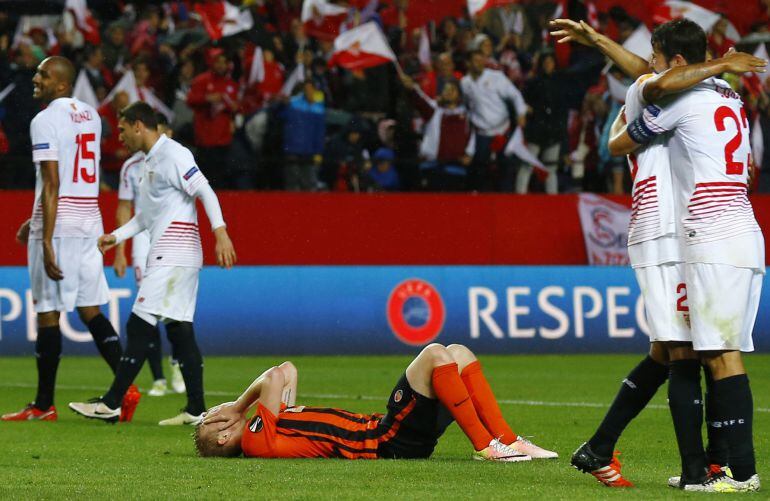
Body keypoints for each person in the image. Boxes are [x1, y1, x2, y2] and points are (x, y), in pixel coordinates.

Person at [550, 18, 766, 490]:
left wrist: (605, 45)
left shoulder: (679, 96)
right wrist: (722, 65)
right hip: (695, 230)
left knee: (693, 351)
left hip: (695, 232)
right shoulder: (721, 95)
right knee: (681, 350)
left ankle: (722, 469)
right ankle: (704, 467)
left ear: (676, 62)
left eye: (654, 55)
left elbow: (628, 125)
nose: (646, 63)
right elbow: (648, 89)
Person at [68, 101, 237, 426]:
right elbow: (146, 216)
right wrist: (115, 237)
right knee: (178, 330)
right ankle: (195, 409)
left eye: (121, 129)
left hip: (175, 252)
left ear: (138, 126)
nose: (119, 136)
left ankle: (111, 402)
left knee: (138, 324)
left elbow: (205, 190)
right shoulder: (147, 163)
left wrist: (221, 232)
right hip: (173, 253)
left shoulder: (174, 154)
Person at [2, 56, 126, 422]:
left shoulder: (44, 120)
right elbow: (73, 176)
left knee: (47, 311)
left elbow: (54, 183)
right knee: (89, 308)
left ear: (61, 84)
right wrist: (34, 218)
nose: (35, 78)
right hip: (89, 217)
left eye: (43, 74)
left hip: (60, 225)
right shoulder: (90, 115)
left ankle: (43, 406)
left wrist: (45, 240)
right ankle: (126, 389)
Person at [194, 343, 557, 461]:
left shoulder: (276, 422)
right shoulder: (258, 439)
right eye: (213, 417)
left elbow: (286, 369)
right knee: (435, 354)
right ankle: (486, 447)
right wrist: (240, 406)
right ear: (224, 437)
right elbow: (272, 377)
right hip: (386, 439)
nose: (218, 408)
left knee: (458, 353)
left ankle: (508, 441)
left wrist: (242, 406)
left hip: (394, 437)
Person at [114, 112, 186, 397]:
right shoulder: (130, 167)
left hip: (171, 239)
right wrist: (120, 250)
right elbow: (124, 208)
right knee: (148, 309)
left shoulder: (177, 159)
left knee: (171, 309)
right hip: (142, 241)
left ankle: (177, 363)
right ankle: (157, 378)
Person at [460, 50, 527, 191]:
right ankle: (483, 203)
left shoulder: (496, 77)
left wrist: (521, 113)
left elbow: (514, 94)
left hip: (502, 130)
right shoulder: (465, 83)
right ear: (468, 64)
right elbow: (467, 106)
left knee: (506, 168)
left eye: (481, 60)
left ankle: (506, 202)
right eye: (475, 61)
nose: (478, 64)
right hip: (482, 133)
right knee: (480, 171)